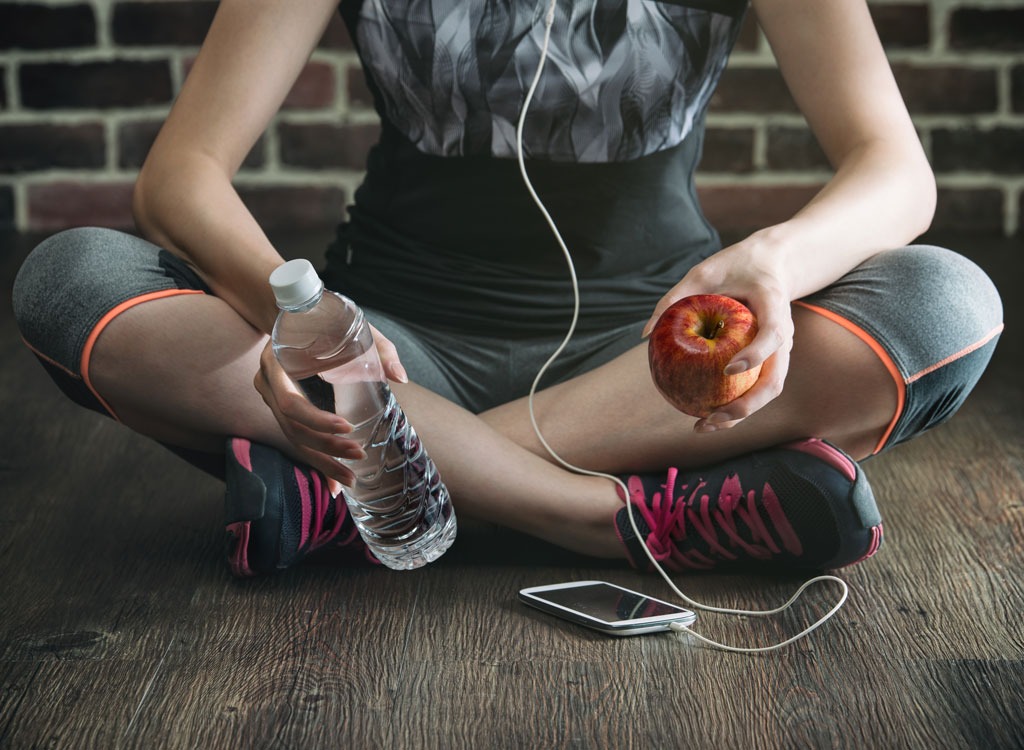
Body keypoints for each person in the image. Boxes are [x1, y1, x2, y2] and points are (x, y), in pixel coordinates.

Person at [13, 0, 1003, 578]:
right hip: (388, 352)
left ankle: (380, 489)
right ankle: (619, 518)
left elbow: (895, 171)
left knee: (944, 301)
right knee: (72, 276)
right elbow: (179, 175)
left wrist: (774, 263)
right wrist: (293, 314)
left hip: (646, 369)